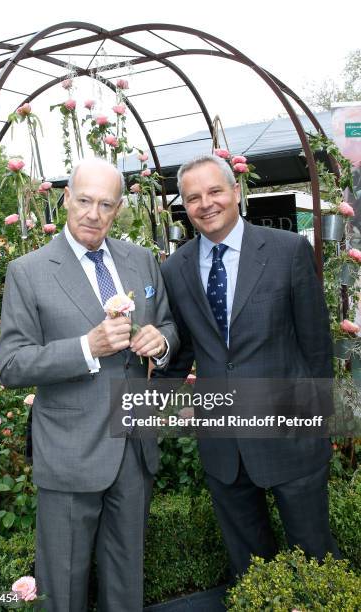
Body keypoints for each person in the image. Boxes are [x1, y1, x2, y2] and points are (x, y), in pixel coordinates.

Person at [0, 157, 179, 612]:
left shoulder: (140, 260)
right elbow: (12, 365)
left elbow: (170, 327)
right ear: (65, 199)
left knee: (126, 579)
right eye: (83, 201)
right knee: (63, 586)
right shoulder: (29, 271)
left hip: (134, 446)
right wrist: (86, 347)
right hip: (70, 451)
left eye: (105, 204)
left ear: (118, 209)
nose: (93, 214)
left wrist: (161, 343)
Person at [156, 154, 340, 579]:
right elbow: (181, 351)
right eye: (193, 197)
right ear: (184, 205)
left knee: (316, 557)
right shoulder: (176, 268)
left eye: (215, 191)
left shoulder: (287, 251)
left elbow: (316, 345)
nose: (206, 204)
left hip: (292, 434)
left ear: (236, 192)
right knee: (250, 568)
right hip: (223, 443)